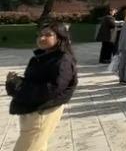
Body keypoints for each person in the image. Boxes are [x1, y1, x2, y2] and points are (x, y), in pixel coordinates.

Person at [6, 23, 77, 151]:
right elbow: (36, 81)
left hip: (42, 111)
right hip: (32, 108)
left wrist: (18, 88)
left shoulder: (62, 60)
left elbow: (52, 89)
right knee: (37, 145)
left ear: (59, 38)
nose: (42, 38)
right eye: (40, 35)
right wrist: (17, 81)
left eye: (48, 35)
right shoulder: (43, 56)